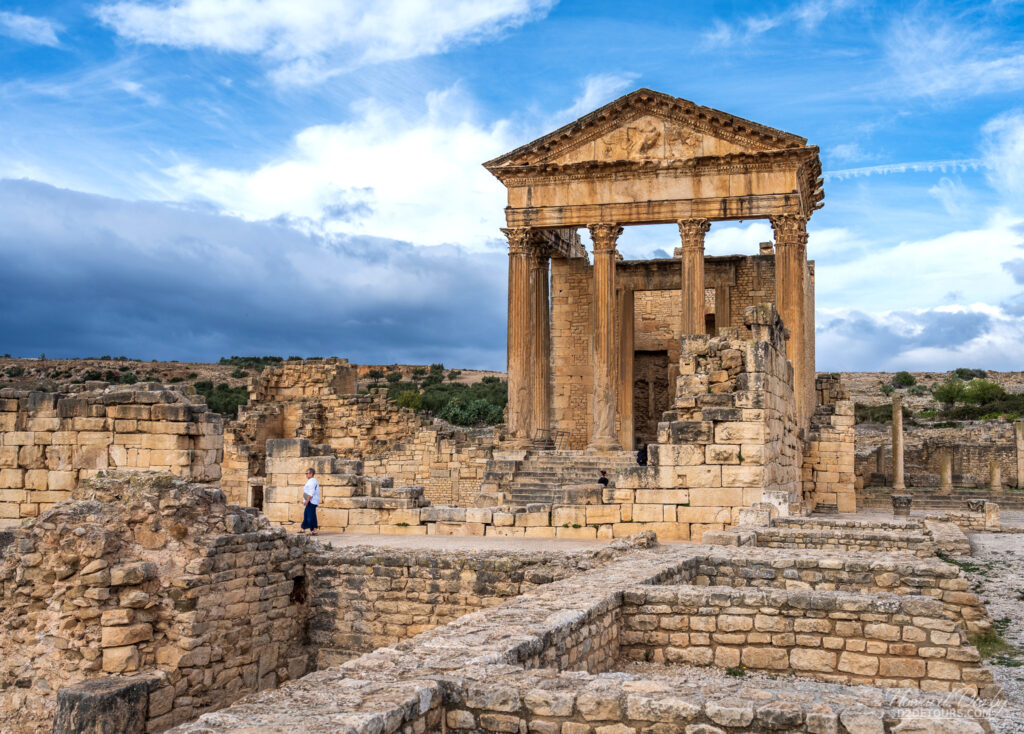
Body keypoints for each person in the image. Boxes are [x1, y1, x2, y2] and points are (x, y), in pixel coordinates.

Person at [301, 467, 320, 535]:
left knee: (310, 516)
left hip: (311, 501)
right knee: (307, 514)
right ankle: (303, 529)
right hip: (310, 501)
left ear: (311, 474)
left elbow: (311, 492)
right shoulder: (311, 481)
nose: (306, 475)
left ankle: (314, 530)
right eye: (305, 473)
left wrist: (307, 500)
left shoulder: (312, 481)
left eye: (307, 473)